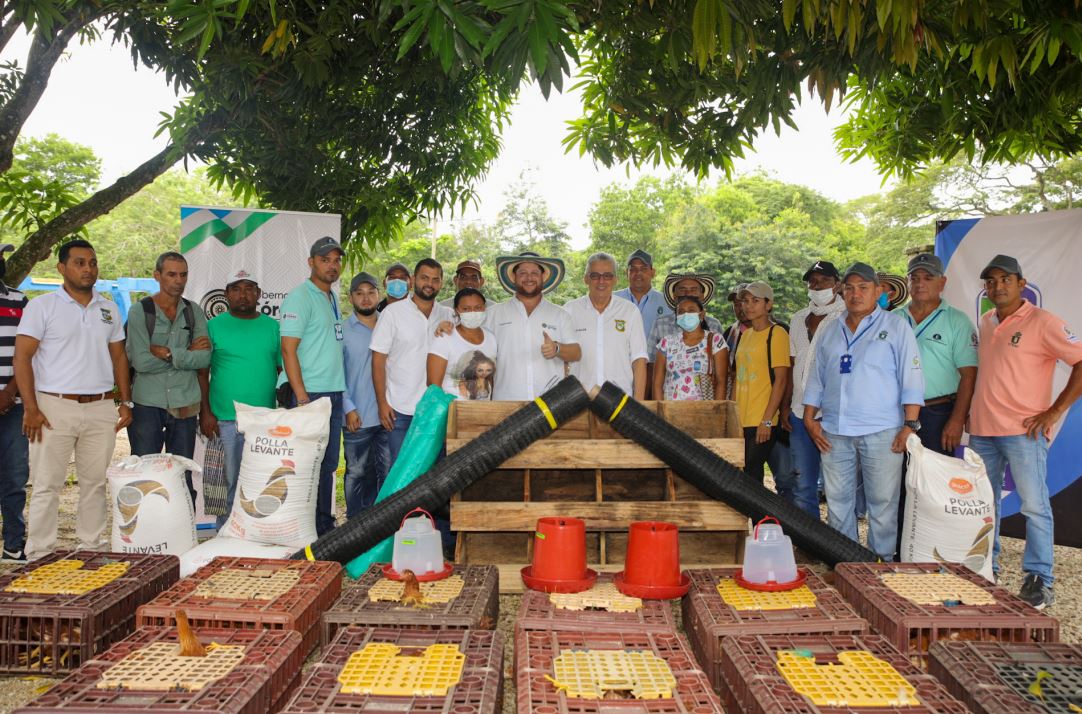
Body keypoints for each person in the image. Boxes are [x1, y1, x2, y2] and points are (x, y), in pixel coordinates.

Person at [969, 254, 1082, 609]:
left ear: (1022, 283)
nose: (998, 286)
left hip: (1023, 432)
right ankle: (986, 567)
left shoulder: (1044, 322)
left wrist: (1054, 411)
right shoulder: (987, 320)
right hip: (983, 430)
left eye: (1006, 279)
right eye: (991, 281)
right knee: (984, 505)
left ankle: (1039, 579)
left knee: (1034, 506)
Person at [14, 239, 133, 561]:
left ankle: (91, 550)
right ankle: (39, 554)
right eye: (80, 263)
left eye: (92, 263)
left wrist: (126, 401)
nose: (88, 269)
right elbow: (22, 358)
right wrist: (31, 408)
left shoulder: (108, 309)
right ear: (61, 268)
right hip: (53, 406)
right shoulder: (42, 307)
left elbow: (119, 357)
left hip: (100, 408)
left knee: (94, 484)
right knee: (46, 485)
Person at [802, 262, 924, 560]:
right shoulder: (831, 329)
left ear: (878, 291)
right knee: (837, 501)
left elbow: (912, 378)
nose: (856, 294)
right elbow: (817, 376)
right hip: (834, 429)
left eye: (863, 287)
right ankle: (845, 563)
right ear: (842, 291)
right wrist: (809, 417)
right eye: (850, 288)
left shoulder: (895, 327)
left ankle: (881, 562)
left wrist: (909, 424)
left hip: (882, 430)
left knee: (882, 502)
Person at [126, 251, 210, 506]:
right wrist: (186, 353)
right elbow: (140, 362)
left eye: (183, 275)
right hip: (147, 404)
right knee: (143, 474)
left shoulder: (194, 312)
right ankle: (144, 528)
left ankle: (183, 528)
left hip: (185, 403)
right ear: (157, 275)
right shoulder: (140, 311)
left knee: (182, 476)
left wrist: (167, 352)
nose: (178, 280)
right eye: (172, 274)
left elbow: (204, 359)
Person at [200, 269, 280, 526]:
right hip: (225, 419)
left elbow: (281, 369)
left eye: (248, 289)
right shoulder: (213, 326)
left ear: (258, 294)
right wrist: (205, 412)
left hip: (263, 421)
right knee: (227, 483)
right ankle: (224, 533)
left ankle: (254, 533)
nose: (242, 295)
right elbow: (201, 372)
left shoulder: (273, 327)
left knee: (259, 482)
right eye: (236, 289)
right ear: (226, 294)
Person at [279, 235, 346, 536]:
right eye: (325, 260)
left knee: (327, 465)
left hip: (332, 393)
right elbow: (288, 350)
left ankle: (322, 527)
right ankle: (301, 528)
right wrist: (302, 398)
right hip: (310, 394)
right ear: (311, 262)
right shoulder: (300, 297)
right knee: (305, 466)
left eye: (336, 260)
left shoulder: (331, 297)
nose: (332, 266)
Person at [371, 258, 453, 462]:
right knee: (403, 472)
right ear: (414, 279)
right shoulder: (392, 313)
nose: (429, 284)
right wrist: (382, 403)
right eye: (425, 278)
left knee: (436, 472)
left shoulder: (449, 315)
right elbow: (378, 361)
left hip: (437, 409)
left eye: (435, 279)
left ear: (441, 283)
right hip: (400, 409)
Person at [896, 253, 978, 456]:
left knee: (935, 475)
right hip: (895, 412)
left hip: (938, 414)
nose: (920, 284)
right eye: (914, 278)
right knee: (896, 475)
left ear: (942, 282)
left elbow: (969, 376)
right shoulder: (893, 318)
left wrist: (957, 420)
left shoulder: (957, 321)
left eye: (928, 278)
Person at [785, 260, 845, 517]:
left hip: (834, 414)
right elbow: (792, 364)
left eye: (824, 281)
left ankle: (840, 537)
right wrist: (785, 407)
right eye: (813, 282)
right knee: (802, 483)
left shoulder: (847, 316)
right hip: (799, 411)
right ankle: (808, 537)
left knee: (838, 486)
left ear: (837, 284)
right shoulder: (798, 318)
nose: (817, 286)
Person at [486, 252, 581, 400]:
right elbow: (473, 346)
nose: (529, 278)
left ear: (543, 277)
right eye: (522, 273)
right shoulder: (493, 314)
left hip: (551, 403)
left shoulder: (560, 314)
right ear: (514, 277)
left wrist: (556, 348)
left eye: (534, 273)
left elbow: (576, 353)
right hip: (506, 400)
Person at [341, 272, 389, 518]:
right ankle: (354, 526)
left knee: (387, 473)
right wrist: (348, 407)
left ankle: (379, 526)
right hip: (356, 416)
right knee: (357, 472)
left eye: (371, 292)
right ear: (351, 298)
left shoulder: (389, 325)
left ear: (379, 295)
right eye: (359, 293)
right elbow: (336, 372)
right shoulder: (342, 330)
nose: (366, 298)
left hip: (388, 416)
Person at [567, 252, 648, 397]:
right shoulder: (569, 311)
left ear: (615, 279)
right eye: (595, 275)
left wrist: (638, 403)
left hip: (620, 401)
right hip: (578, 400)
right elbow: (560, 360)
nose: (601, 281)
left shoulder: (630, 311)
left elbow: (639, 360)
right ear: (586, 279)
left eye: (607, 276)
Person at [733, 282, 791, 483]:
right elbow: (738, 376)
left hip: (762, 417)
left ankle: (761, 507)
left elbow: (781, 380)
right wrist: (732, 413)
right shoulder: (745, 335)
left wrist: (767, 420)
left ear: (768, 304)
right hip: (742, 417)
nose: (748, 306)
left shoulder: (777, 333)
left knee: (752, 470)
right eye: (745, 301)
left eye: (755, 301)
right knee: (745, 472)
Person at [0, 244, 29, 561]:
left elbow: (30, 352)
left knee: (14, 476)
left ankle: (13, 544)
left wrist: (10, 391)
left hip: (13, 403)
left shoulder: (19, 301)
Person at [653, 296, 728, 401]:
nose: (686, 314)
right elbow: (657, 384)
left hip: (704, 409)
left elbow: (721, 381)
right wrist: (660, 409)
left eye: (691, 310)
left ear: (702, 315)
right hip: (671, 408)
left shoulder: (715, 340)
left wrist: (717, 409)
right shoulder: (667, 343)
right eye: (681, 312)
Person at [428, 287, 498, 400]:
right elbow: (433, 384)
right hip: (452, 408)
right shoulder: (445, 338)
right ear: (457, 310)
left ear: (484, 308)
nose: (472, 312)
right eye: (466, 309)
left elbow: (489, 379)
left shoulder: (491, 338)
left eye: (478, 308)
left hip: (483, 409)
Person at [648, 273, 723, 366]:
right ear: (674, 297)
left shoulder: (714, 325)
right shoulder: (660, 324)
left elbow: (722, 363)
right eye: (682, 289)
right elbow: (650, 362)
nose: (688, 293)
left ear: (702, 296)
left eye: (693, 289)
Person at [615, 249, 671, 348]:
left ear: (653, 272)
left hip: (655, 358)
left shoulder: (667, 302)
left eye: (644, 269)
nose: (638, 273)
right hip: (620, 357)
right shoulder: (612, 300)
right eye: (633, 269)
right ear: (627, 272)